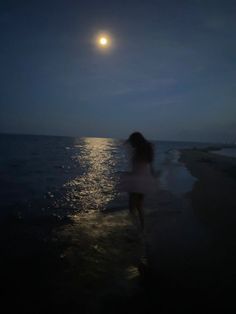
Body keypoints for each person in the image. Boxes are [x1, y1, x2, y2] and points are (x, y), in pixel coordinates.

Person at [119, 132, 156, 230]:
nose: (131, 144)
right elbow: (151, 167)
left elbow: (136, 166)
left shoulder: (138, 151)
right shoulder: (147, 151)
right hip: (145, 180)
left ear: (136, 141)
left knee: (132, 207)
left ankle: (135, 228)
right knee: (139, 206)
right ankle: (142, 228)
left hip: (136, 181)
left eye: (132, 142)